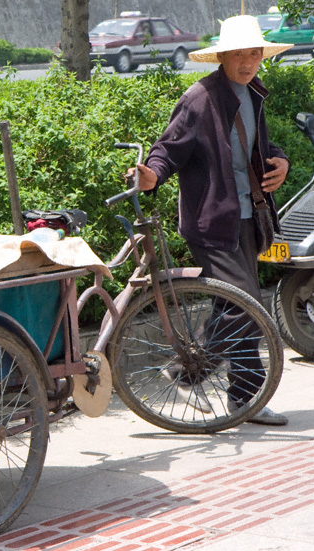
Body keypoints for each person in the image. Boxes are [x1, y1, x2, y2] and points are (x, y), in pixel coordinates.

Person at [127, 15, 292, 426]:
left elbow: (263, 144)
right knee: (246, 306)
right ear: (223, 56)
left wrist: (281, 162)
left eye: (255, 52)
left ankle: (189, 376)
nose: (249, 60)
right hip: (210, 220)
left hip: (248, 216)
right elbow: (168, 149)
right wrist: (151, 176)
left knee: (229, 305)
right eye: (240, 53)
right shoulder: (199, 98)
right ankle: (240, 396)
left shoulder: (252, 91)